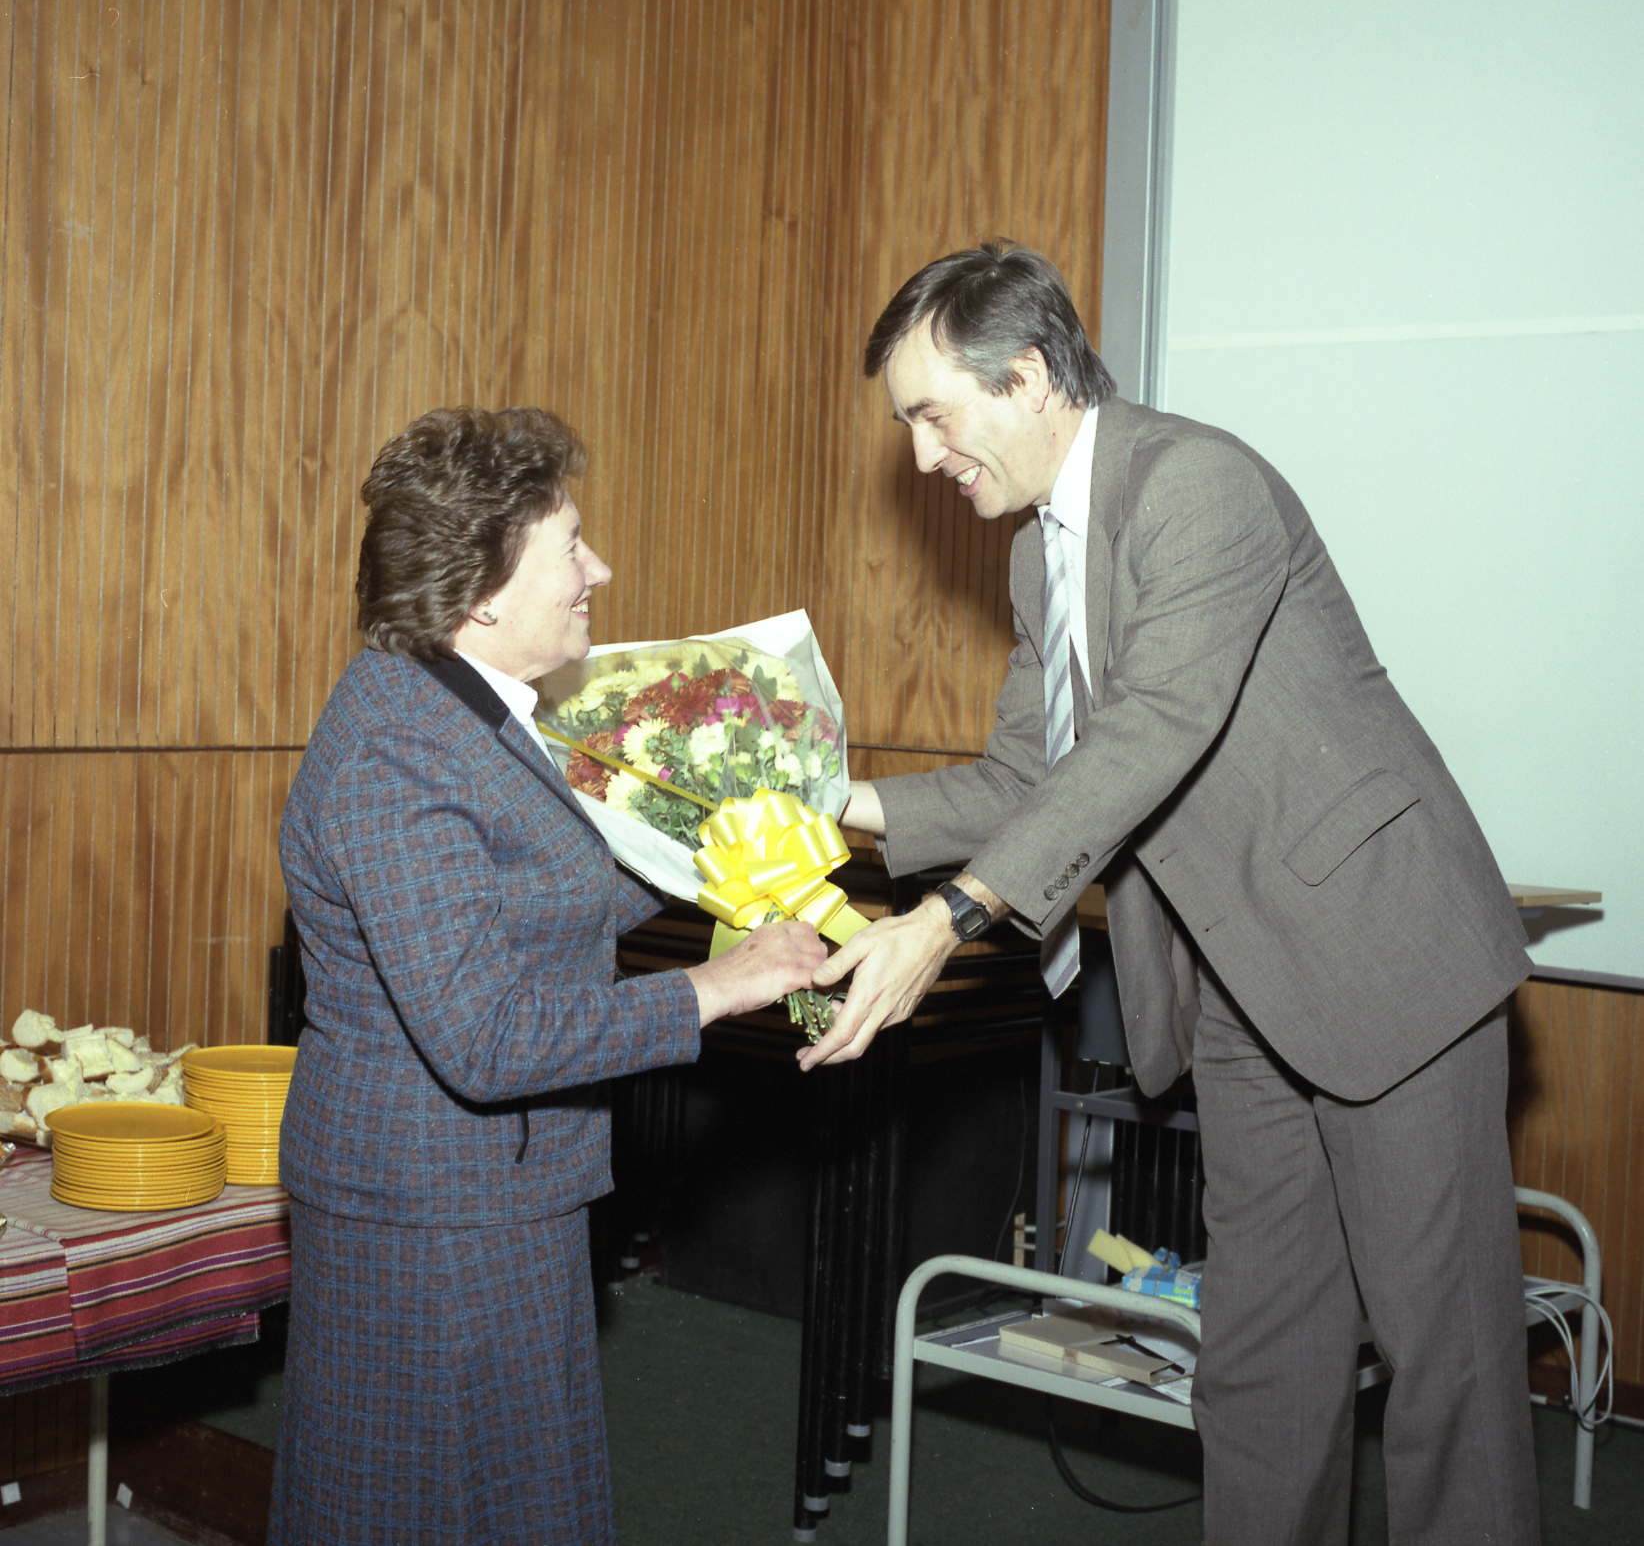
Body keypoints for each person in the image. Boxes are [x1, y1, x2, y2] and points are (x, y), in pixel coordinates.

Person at [808, 243, 1539, 1545]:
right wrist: (827, 801)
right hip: (1241, 990)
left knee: (1449, 1367)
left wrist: (950, 918)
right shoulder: (1037, 556)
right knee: (1261, 1359)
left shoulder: (1198, 483)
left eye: (934, 414)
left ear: (1029, 378)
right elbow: (1029, 777)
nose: (922, 457)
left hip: (1389, 963)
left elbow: (1150, 732)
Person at [271, 406, 824, 1546]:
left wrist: (727, 850)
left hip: (491, 1194)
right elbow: (486, 1037)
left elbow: (545, 903)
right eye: (570, 546)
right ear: (481, 593)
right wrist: (723, 986)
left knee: (512, 1502)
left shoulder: (464, 709)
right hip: (428, 1219)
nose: (598, 570)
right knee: (425, 1512)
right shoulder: (394, 753)